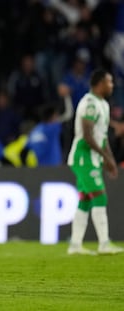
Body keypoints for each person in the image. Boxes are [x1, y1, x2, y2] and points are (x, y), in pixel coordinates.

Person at [67, 68, 124, 255]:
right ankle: (104, 243)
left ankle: (75, 245)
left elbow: (103, 137)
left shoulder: (104, 105)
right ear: (100, 84)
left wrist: (111, 160)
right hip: (83, 156)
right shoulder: (89, 103)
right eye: (109, 82)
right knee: (100, 196)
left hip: (92, 157)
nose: (112, 85)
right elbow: (88, 136)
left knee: (84, 200)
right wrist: (106, 157)